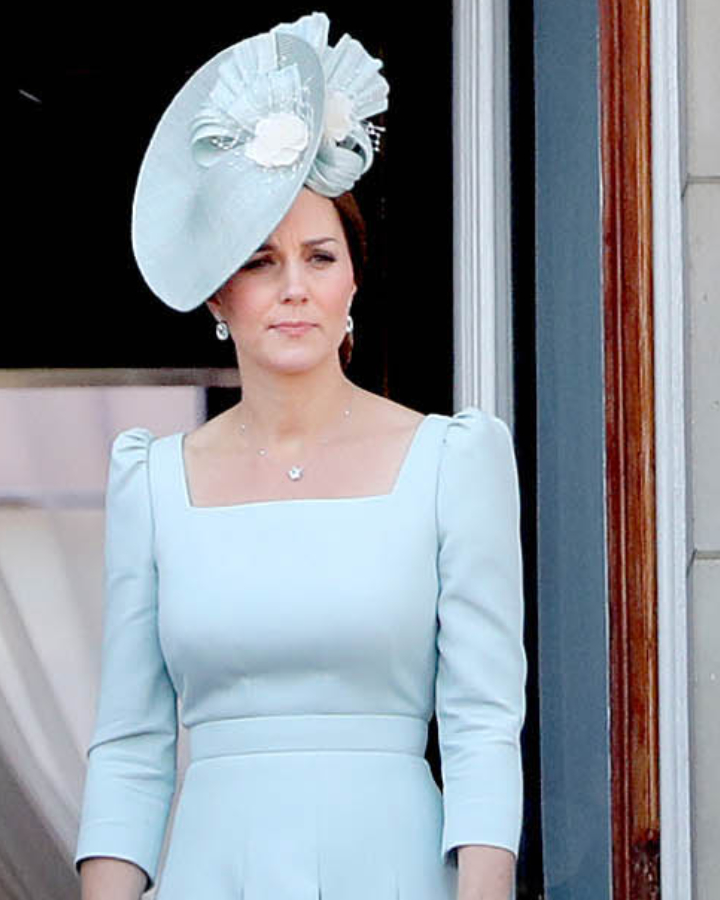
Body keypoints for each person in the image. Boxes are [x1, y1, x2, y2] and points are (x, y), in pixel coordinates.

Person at [76, 12, 526, 900]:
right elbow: (130, 747)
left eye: (319, 257)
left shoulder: (450, 462)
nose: (292, 287)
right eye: (260, 259)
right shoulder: (154, 484)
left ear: (352, 279)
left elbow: (481, 724)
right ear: (220, 292)